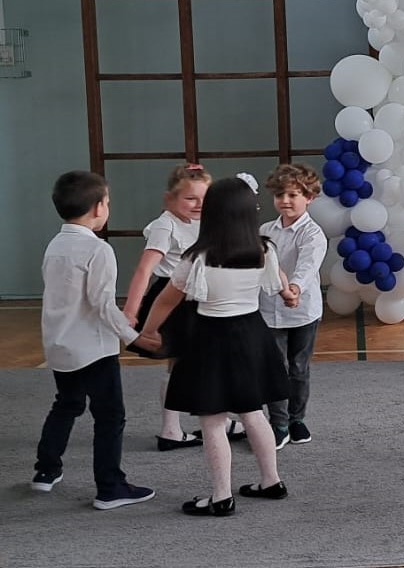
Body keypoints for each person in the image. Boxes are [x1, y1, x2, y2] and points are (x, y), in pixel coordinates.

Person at [139, 175, 295, 516]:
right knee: (253, 412)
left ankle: (221, 496)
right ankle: (271, 480)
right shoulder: (264, 249)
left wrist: (148, 331)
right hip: (252, 335)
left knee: (212, 419)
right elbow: (279, 280)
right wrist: (287, 292)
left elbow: (166, 300)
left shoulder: (198, 256)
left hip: (211, 338)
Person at [31, 170, 157, 510]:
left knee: (67, 404)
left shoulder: (55, 245)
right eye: (108, 202)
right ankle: (110, 487)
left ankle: (46, 470)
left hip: (60, 346)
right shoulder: (98, 249)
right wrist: (135, 338)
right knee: (110, 416)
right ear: (99, 208)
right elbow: (102, 305)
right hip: (94, 350)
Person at [123, 163, 228, 451]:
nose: (198, 204)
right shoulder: (165, 225)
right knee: (180, 364)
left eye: (204, 198)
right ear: (170, 198)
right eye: (190, 198)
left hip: (202, 296)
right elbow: (144, 270)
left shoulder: (206, 221)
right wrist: (131, 310)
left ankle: (215, 418)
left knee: (208, 362)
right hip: (173, 300)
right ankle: (171, 428)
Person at [260, 163, 328, 449]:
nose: (285, 201)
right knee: (275, 368)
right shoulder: (265, 230)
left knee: (298, 367)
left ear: (309, 197)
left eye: (292, 195)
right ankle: (278, 423)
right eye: (279, 195)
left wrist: (294, 289)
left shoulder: (313, 234)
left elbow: (307, 267)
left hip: (303, 311)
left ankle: (296, 419)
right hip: (268, 310)